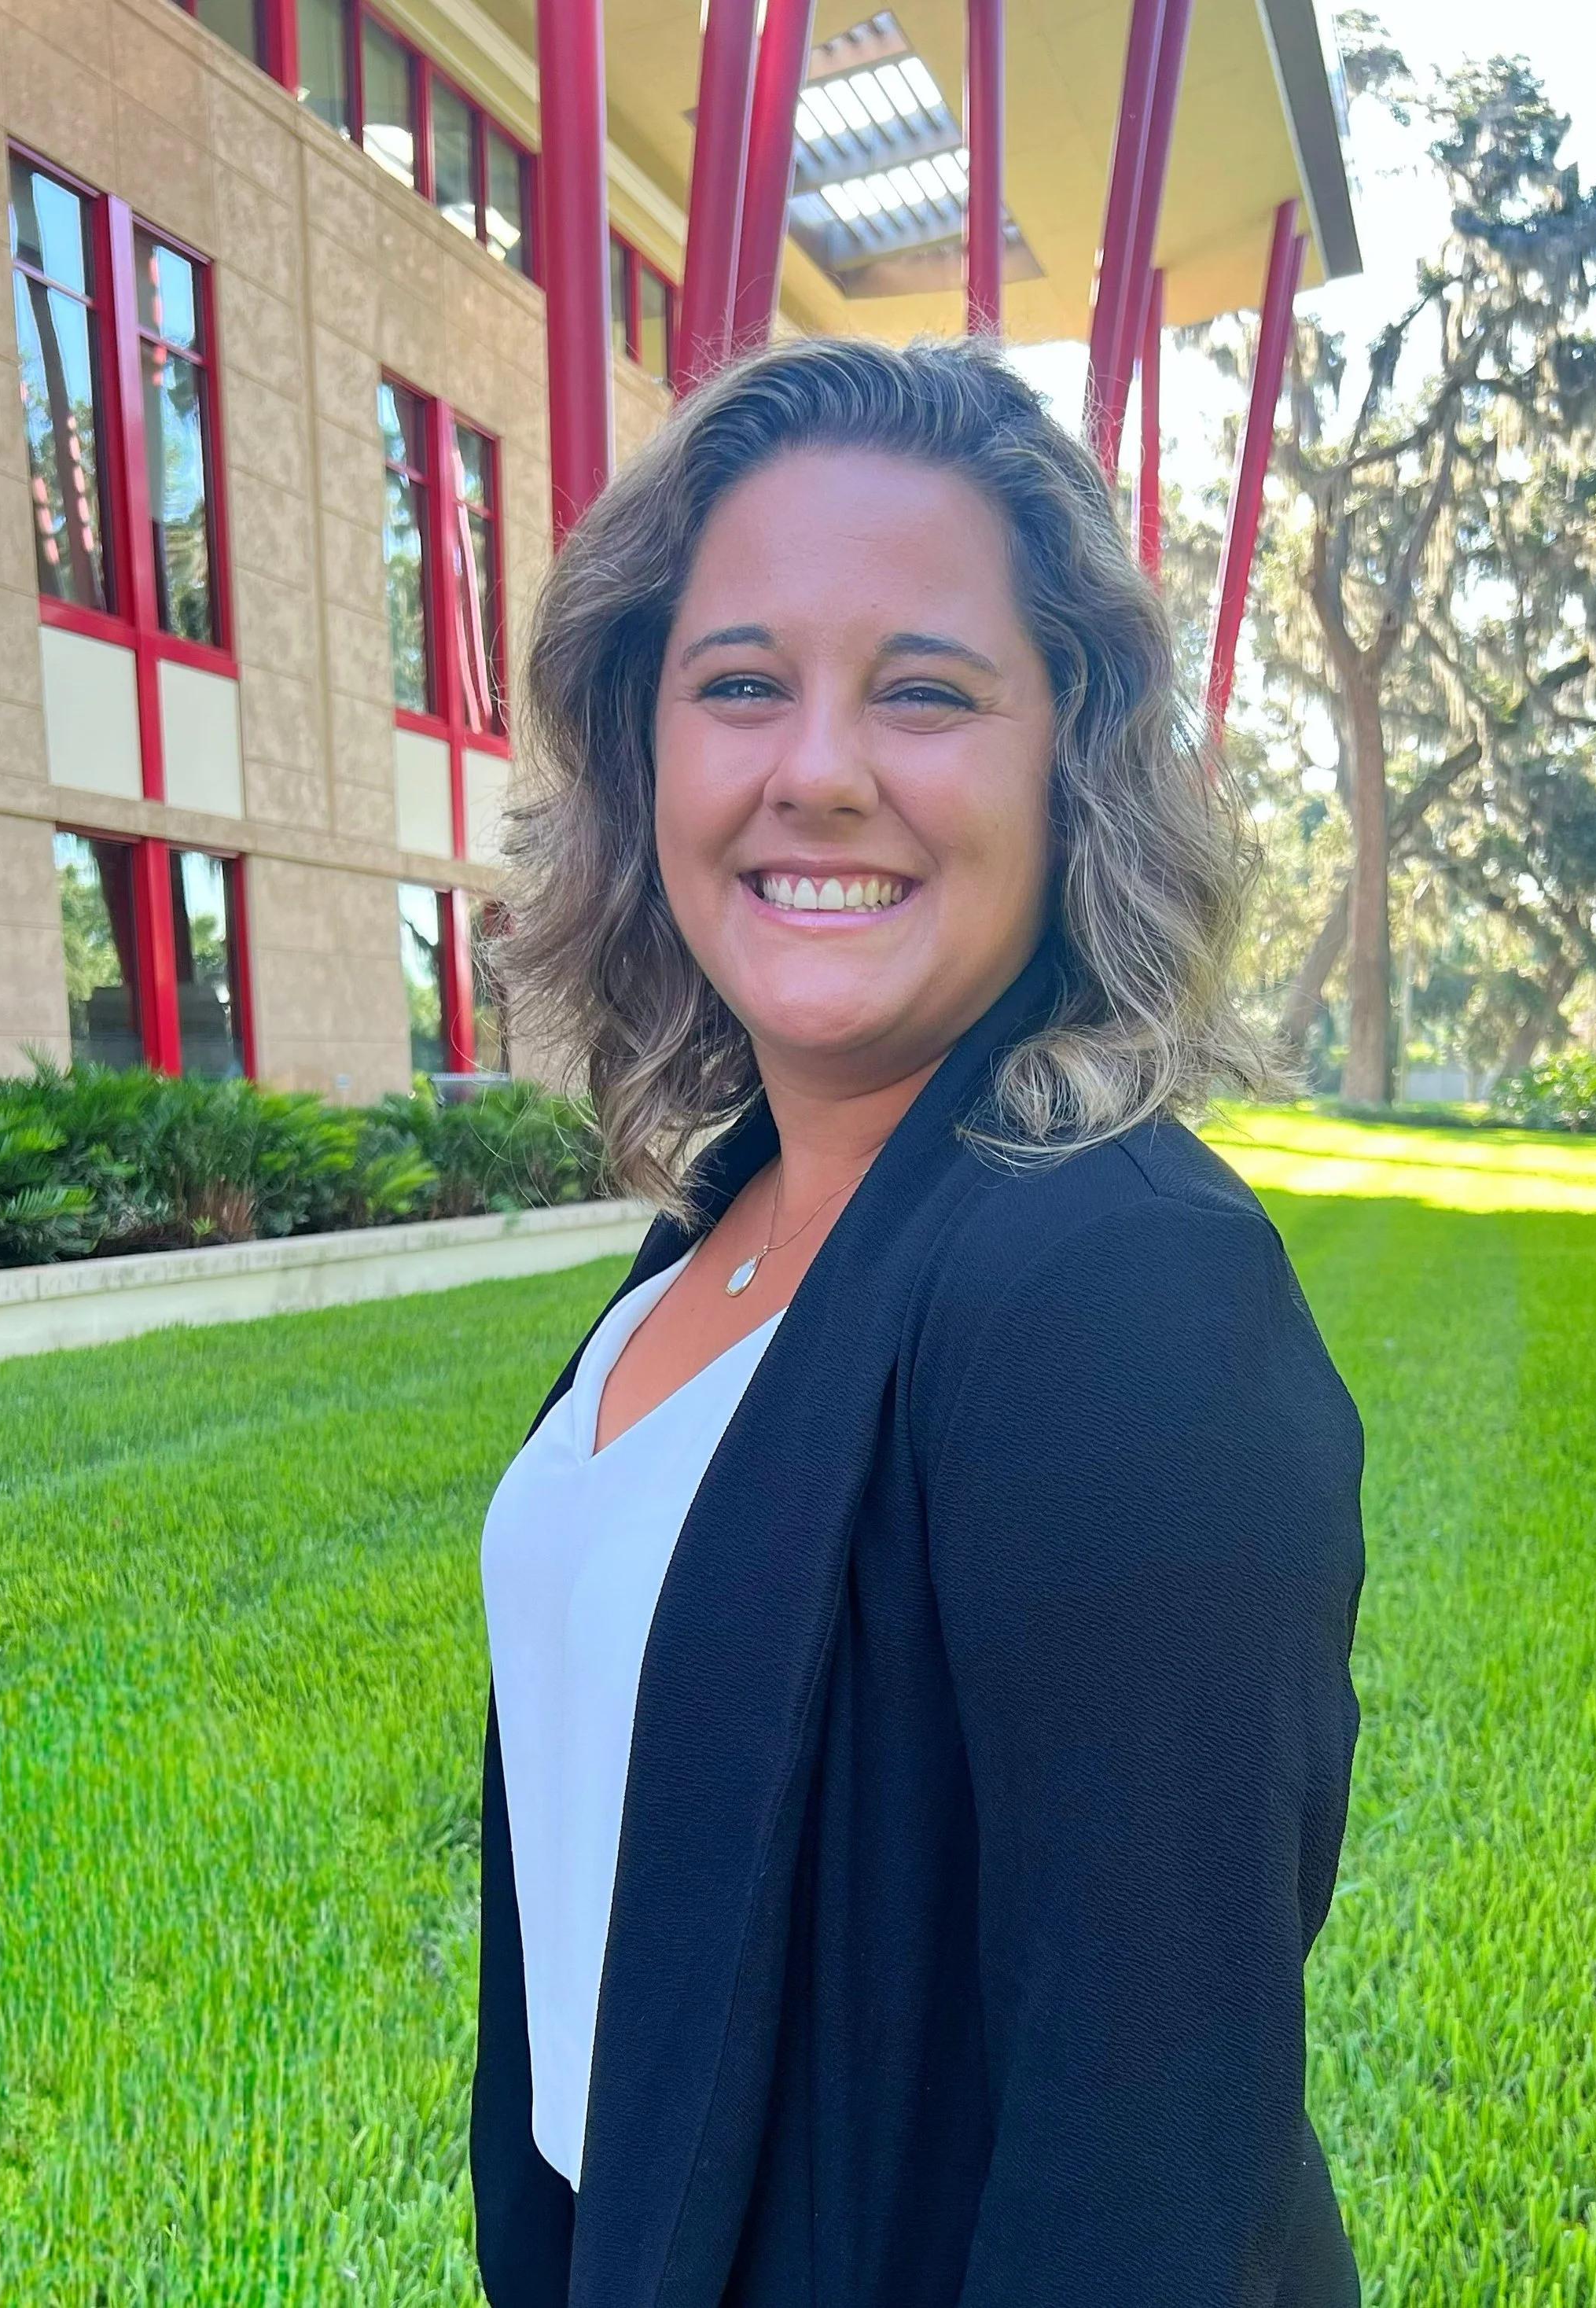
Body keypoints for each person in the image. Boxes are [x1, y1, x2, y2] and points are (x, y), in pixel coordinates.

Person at [471, 337, 1365, 2308]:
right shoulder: (718, 1227)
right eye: (738, 685)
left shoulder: (1125, 1291)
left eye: (925, 693)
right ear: (645, 755)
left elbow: (1150, 2163)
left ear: (1072, 761)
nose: (817, 769)